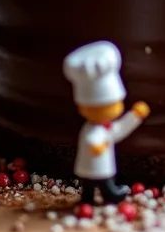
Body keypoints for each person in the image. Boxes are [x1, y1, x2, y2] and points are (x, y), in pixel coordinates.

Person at [63, 41, 150, 205]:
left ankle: (101, 196)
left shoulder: (107, 127)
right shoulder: (92, 129)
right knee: (94, 182)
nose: (115, 109)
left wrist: (135, 116)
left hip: (102, 163)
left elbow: (119, 130)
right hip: (93, 163)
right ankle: (99, 196)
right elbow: (91, 139)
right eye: (107, 105)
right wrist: (97, 146)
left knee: (99, 180)